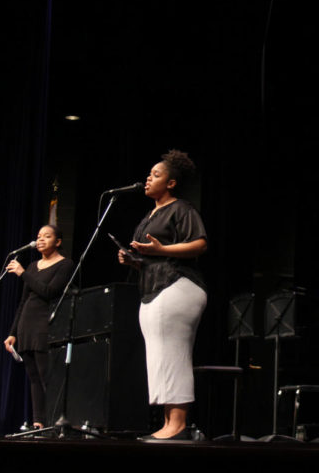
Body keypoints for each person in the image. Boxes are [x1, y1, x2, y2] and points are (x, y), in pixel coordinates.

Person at [118, 149, 208, 441]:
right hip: (153, 287)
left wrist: (160, 250)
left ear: (171, 183)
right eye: (149, 174)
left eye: (156, 175)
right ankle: (169, 422)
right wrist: (134, 260)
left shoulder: (182, 208)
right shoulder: (149, 215)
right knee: (159, 356)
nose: (148, 178)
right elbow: (150, 256)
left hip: (178, 285)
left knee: (173, 354)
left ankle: (178, 425)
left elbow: (199, 245)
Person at [3, 224, 73, 430]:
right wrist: (13, 333)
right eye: (38, 236)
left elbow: (49, 291)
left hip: (45, 325)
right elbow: (23, 301)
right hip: (26, 325)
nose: (41, 240)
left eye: (47, 236)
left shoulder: (65, 264)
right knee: (33, 378)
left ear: (57, 242)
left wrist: (23, 273)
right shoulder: (33, 266)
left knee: (47, 377)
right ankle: (38, 423)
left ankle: (54, 423)